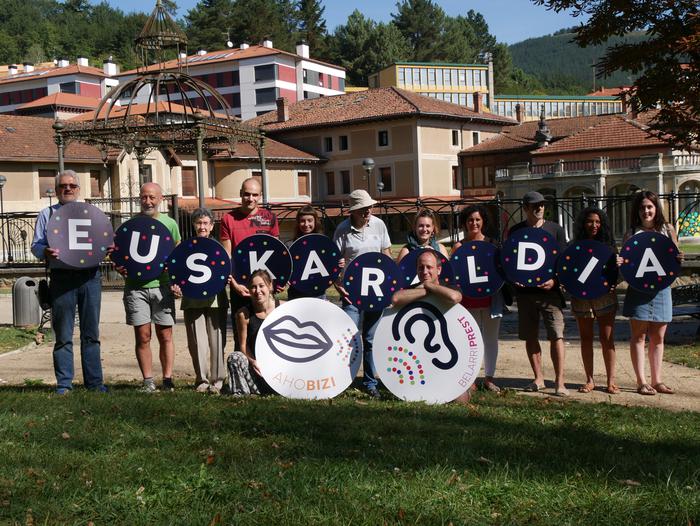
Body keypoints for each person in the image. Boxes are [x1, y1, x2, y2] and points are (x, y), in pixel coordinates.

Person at [30, 170, 107, 395]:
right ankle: (64, 384)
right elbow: (36, 246)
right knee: (63, 335)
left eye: (72, 186)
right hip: (61, 278)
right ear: (56, 190)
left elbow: (103, 241)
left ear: (79, 189)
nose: (68, 189)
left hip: (90, 277)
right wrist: (45, 251)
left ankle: (95, 383)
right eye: (63, 186)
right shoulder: (46, 214)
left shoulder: (91, 214)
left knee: (91, 333)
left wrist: (108, 247)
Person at [620, 191, 683, 396]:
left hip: (662, 289)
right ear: (637, 211)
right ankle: (641, 381)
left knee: (658, 337)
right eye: (642, 208)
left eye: (649, 207)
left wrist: (679, 257)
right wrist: (621, 262)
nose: (646, 211)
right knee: (638, 336)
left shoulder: (668, 229)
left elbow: (674, 258)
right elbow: (626, 264)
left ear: (656, 208)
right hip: (638, 289)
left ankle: (657, 381)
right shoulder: (631, 233)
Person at [121, 182, 181, 392]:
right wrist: (120, 266)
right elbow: (119, 254)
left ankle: (167, 379)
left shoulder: (170, 224)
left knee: (165, 335)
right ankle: (148, 381)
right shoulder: (131, 224)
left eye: (152, 197)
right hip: (135, 288)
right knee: (143, 336)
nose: (148, 201)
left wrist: (176, 281)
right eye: (144, 197)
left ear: (160, 199)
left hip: (162, 287)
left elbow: (177, 254)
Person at [333, 189, 392, 399]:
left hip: (375, 292)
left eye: (370, 207)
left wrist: (389, 286)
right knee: (348, 337)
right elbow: (335, 262)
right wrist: (338, 285)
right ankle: (342, 380)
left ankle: (370, 382)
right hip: (351, 293)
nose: (368, 211)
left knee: (370, 339)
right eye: (363, 209)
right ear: (353, 211)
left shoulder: (379, 225)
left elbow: (387, 256)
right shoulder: (342, 230)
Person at [509, 191, 569, 396]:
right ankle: (539, 378)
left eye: (542, 205)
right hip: (525, 293)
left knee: (557, 335)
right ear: (525, 208)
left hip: (550, 293)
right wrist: (514, 278)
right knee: (530, 336)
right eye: (535, 205)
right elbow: (510, 260)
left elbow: (563, 261)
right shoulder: (516, 231)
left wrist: (555, 281)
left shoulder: (555, 230)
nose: (539, 208)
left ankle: (560, 381)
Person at [392, 250, 470, 403]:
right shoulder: (412, 288)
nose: (425, 271)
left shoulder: (450, 287)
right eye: (421, 267)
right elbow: (396, 298)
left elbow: (454, 297)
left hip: (447, 350)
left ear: (438, 270)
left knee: (461, 400)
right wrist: (425, 290)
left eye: (429, 267)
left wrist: (429, 286)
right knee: (412, 396)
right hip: (419, 353)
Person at [219, 177, 279, 350]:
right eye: (246, 194)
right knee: (242, 339)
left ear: (260, 196)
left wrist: (275, 283)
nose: (250, 198)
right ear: (240, 194)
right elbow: (227, 257)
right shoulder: (228, 219)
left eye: (254, 195)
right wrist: (235, 285)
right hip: (241, 288)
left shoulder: (269, 218)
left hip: (264, 289)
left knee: (272, 334)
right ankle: (244, 367)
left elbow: (276, 254)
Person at [172, 208, 227, 394]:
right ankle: (201, 380)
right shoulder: (185, 248)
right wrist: (176, 288)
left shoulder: (218, 248)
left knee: (217, 341)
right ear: (194, 225)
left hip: (216, 300)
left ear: (211, 226)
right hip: (192, 301)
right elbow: (177, 273)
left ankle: (218, 380)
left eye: (205, 223)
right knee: (197, 342)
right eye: (199, 223)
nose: (202, 227)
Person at [452, 205, 505, 392]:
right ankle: (470, 379)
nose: (474, 223)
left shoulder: (493, 244)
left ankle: (489, 378)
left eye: (477, 219)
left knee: (490, 339)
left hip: (491, 300)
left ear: (483, 222)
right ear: (464, 223)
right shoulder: (458, 246)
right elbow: (453, 274)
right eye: (470, 220)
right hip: (468, 301)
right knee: (469, 341)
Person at [570, 207, 619, 394]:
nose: (594, 225)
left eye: (598, 222)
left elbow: (616, 272)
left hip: (604, 297)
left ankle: (611, 381)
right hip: (582, 298)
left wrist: (615, 280)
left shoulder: (609, 246)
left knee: (607, 338)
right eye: (590, 221)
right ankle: (589, 380)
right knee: (586, 338)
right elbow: (569, 270)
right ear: (583, 224)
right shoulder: (575, 246)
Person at [226, 270, 282, 395]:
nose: (258, 291)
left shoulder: (284, 308)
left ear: (270, 286)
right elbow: (243, 345)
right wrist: (253, 362)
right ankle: (242, 393)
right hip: (258, 372)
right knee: (235, 357)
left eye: (261, 286)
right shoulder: (243, 314)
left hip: (282, 373)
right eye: (253, 287)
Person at [288, 205, 328, 300]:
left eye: (310, 220)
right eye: (302, 221)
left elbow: (330, 262)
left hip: (318, 293)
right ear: (298, 223)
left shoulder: (324, 243)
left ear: (315, 222)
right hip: (296, 293)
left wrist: (339, 262)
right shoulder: (291, 245)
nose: (306, 224)